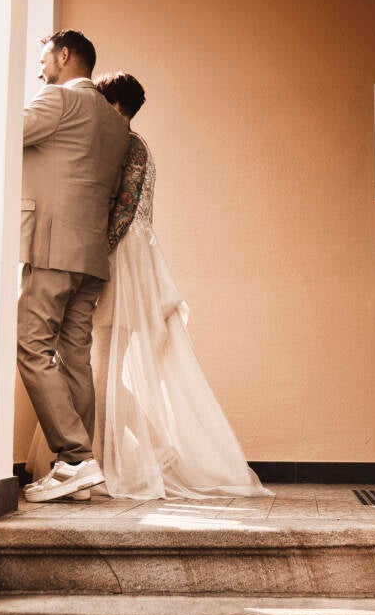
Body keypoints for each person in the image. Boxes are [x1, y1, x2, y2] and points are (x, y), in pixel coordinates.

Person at [88, 71, 269, 500]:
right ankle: (124, 456)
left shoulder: (129, 145)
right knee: (103, 367)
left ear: (115, 105)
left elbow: (124, 211)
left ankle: (143, 451)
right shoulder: (132, 144)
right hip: (132, 258)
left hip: (123, 259)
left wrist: (93, 258)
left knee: (103, 367)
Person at [18, 31, 131, 503]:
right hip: (91, 256)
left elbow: (4, 134)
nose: (40, 68)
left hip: (52, 246)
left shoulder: (58, 99)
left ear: (64, 56)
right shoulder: (116, 124)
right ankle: (77, 472)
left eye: (44, 58)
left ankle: (75, 459)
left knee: (31, 346)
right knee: (74, 358)